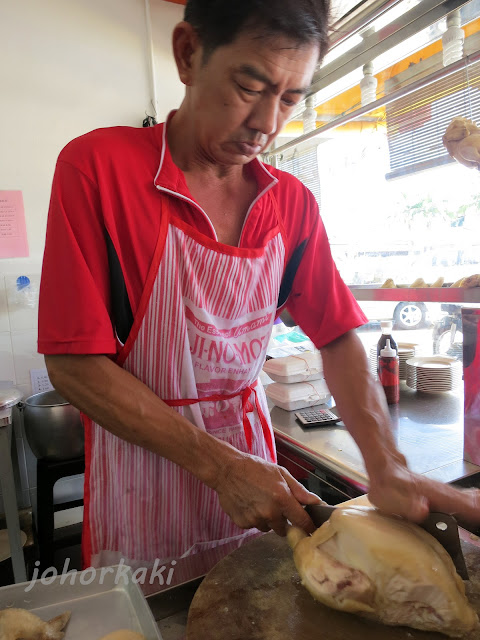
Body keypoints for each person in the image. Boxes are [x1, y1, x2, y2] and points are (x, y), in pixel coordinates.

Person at [39, 0, 480, 571]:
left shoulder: (291, 204)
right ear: (188, 54)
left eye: (291, 98)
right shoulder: (98, 169)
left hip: (257, 476)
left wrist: (385, 463)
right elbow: (73, 364)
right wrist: (220, 468)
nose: (268, 124)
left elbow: (340, 335)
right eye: (250, 86)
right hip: (140, 476)